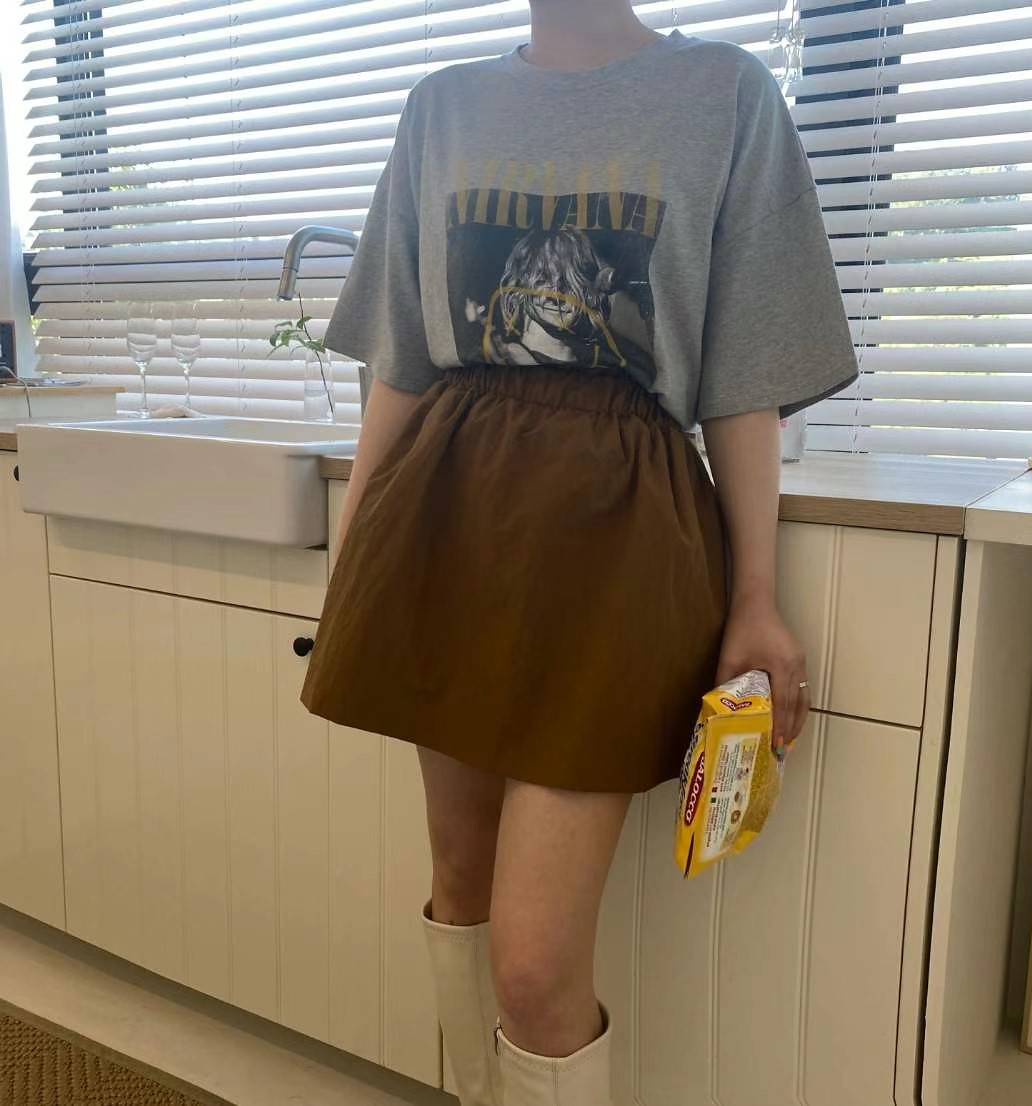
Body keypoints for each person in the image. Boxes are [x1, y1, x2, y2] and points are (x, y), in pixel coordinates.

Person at [300, 0, 857, 1101]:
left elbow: (744, 373)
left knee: (535, 967)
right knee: (458, 882)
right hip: (448, 514)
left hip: (617, 536)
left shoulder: (725, 95)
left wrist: (755, 594)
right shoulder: (441, 106)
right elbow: (402, 362)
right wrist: (353, 553)